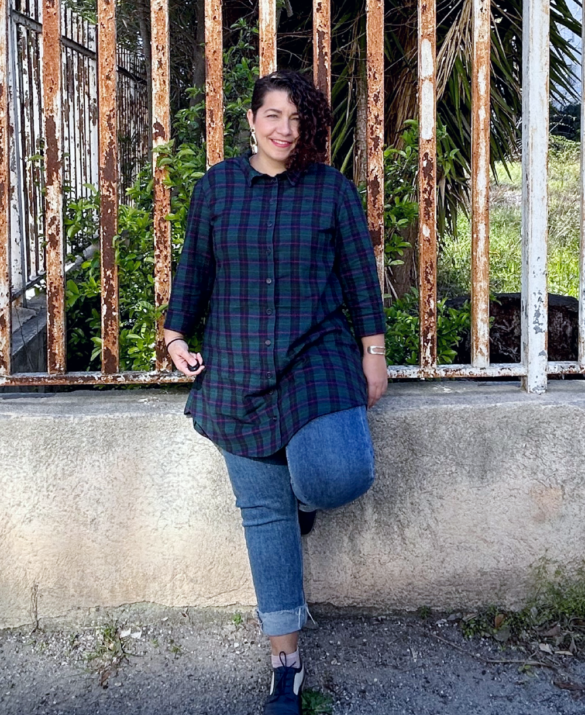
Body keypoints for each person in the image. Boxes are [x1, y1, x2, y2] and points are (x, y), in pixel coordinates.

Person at [164, 69, 387, 714]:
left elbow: (359, 277)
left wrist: (373, 353)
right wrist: (175, 335)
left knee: (340, 473)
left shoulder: (331, 190)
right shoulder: (216, 187)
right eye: (273, 116)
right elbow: (195, 268)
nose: (285, 130)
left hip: (317, 354)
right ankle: (284, 662)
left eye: (296, 119)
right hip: (237, 364)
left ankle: (304, 495)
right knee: (263, 513)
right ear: (251, 121)